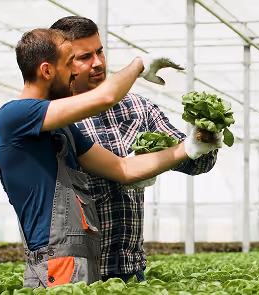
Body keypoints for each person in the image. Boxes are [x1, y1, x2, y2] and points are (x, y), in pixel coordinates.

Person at [0, 28, 221, 289]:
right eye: (71, 64)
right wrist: (139, 65)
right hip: (56, 261)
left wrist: (188, 148)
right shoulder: (15, 115)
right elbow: (105, 97)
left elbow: (123, 168)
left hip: (81, 260)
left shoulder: (64, 130)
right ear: (46, 71)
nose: (75, 72)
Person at [50, 16, 219, 283]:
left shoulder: (138, 107)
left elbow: (196, 162)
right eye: (84, 57)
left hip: (130, 269)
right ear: (62, 62)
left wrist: (203, 139)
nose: (97, 63)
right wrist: (127, 171)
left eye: (100, 52)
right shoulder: (52, 115)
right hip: (74, 276)